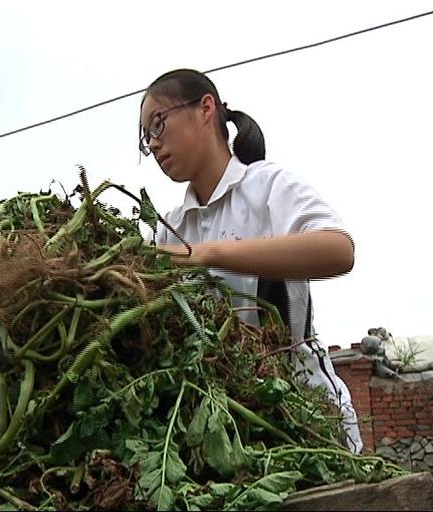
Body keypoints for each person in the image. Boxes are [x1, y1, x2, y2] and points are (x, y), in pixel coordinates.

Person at [139, 69, 363, 453]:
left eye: (157, 124)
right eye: (146, 140)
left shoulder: (267, 187)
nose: (154, 145)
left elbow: (338, 250)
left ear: (206, 108)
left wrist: (207, 254)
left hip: (306, 415)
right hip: (227, 431)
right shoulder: (170, 228)